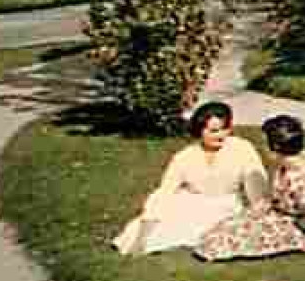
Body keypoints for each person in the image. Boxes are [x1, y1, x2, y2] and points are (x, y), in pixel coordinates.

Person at [195, 114, 305, 261]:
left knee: (230, 239)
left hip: (293, 222)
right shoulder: (294, 158)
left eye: (266, 143)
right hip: (277, 211)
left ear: (275, 147)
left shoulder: (296, 177)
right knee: (229, 226)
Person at [112, 101, 268, 255]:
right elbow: (165, 191)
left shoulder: (242, 148)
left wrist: (259, 213)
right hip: (191, 202)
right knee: (154, 225)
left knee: (196, 230)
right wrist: (145, 229)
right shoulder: (185, 156)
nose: (221, 135)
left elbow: (255, 183)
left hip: (225, 205)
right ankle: (142, 241)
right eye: (214, 131)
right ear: (200, 131)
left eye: (225, 129)